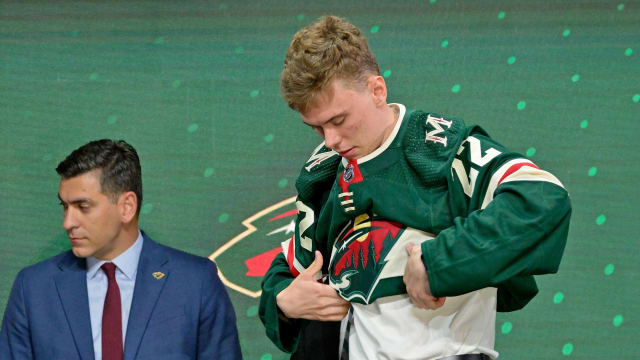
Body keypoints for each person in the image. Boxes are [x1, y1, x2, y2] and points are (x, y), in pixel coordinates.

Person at [259, 15, 571, 360]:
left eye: (339, 120)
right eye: (316, 128)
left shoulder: (441, 149)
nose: (331, 140)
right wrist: (284, 301)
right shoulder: (324, 174)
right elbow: (286, 272)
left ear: (378, 90)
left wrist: (436, 264)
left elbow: (542, 197)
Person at [0, 139, 242, 360]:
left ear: (127, 207)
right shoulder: (33, 288)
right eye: (65, 206)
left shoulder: (196, 282)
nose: (68, 222)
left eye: (83, 206)